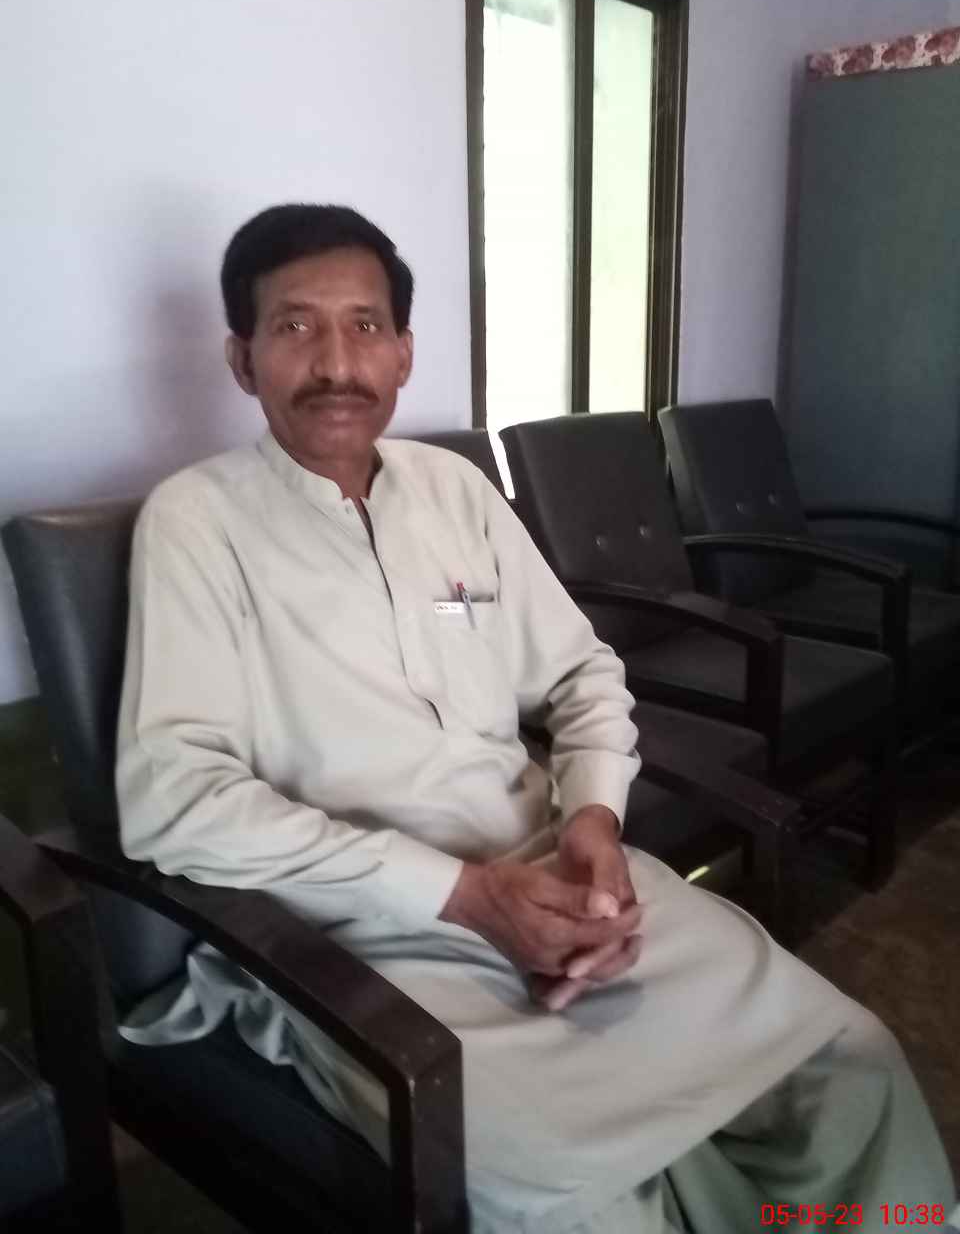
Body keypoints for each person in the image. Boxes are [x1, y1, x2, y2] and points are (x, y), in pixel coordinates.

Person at [116, 204, 957, 1234]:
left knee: (848, 1062)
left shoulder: (456, 491)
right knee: (589, 1196)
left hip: (555, 870)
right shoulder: (196, 524)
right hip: (368, 937)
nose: (336, 362)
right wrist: (466, 895)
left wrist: (594, 820)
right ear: (243, 359)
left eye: (365, 325)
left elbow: (580, 673)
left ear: (404, 352)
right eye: (295, 326)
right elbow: (175, 800)